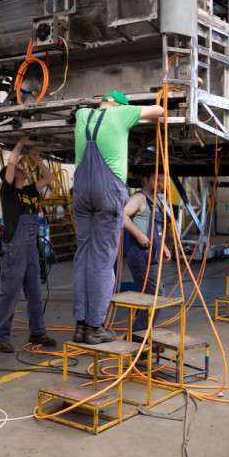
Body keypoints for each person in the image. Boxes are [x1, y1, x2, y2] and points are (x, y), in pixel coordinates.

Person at [72, 91, 164, 344]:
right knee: (102, 260)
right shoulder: (121, 113)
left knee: (83, 256)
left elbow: (78, 110)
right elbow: (159, 111)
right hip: (106, 193)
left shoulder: (82, 115)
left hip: (81, 192)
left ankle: (80, 325)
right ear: (119, 105)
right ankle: (95, 327)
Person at [0, 135, 56, 353]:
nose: (21, 168)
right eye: (19, 168)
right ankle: (0, 337)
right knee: (10, 293)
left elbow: (48, 179)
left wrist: (37, 160)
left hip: (30, 248)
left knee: (35, 292)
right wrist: (20, 143)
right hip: (14, 249)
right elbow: (10, 162)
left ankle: (37, 332)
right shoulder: (8, 191)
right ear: (9, 176)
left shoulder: (29, 191)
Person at [123, 168, 172, 333]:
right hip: (140, 255)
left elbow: (156, 228)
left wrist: (163, 246)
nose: (160, 184)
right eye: (156, 180)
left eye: (162, 181)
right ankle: (138, 334)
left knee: (149, 296)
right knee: (156, 296)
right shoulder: (139, 198)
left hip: (153, 255)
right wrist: (138, 234)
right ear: (146, 180)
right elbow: (122, 215)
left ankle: (140, 332)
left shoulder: (156, 200)